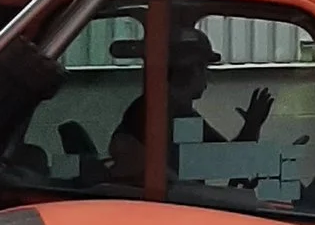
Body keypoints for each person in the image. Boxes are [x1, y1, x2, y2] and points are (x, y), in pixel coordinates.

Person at [107, 24, 273, 188]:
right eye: (202, 67)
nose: (206, 75)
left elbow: (227, 160)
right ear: (186, 68)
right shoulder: (157, 113)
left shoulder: (176, 111)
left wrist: (252, 126)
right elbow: (228, 162)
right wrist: (252, 126)